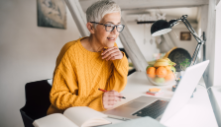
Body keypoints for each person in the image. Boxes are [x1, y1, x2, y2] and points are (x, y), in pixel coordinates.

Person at [47, 0, 128, 115]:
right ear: (91, 27)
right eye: (109, 26)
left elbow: (114, 89)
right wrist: (95, 102)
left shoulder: (110, 48)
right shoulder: (71, 52)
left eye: (118, 26)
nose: (115, 33)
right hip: (66, 117)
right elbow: (58, 98)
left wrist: (120, 61)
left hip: (94, 113)